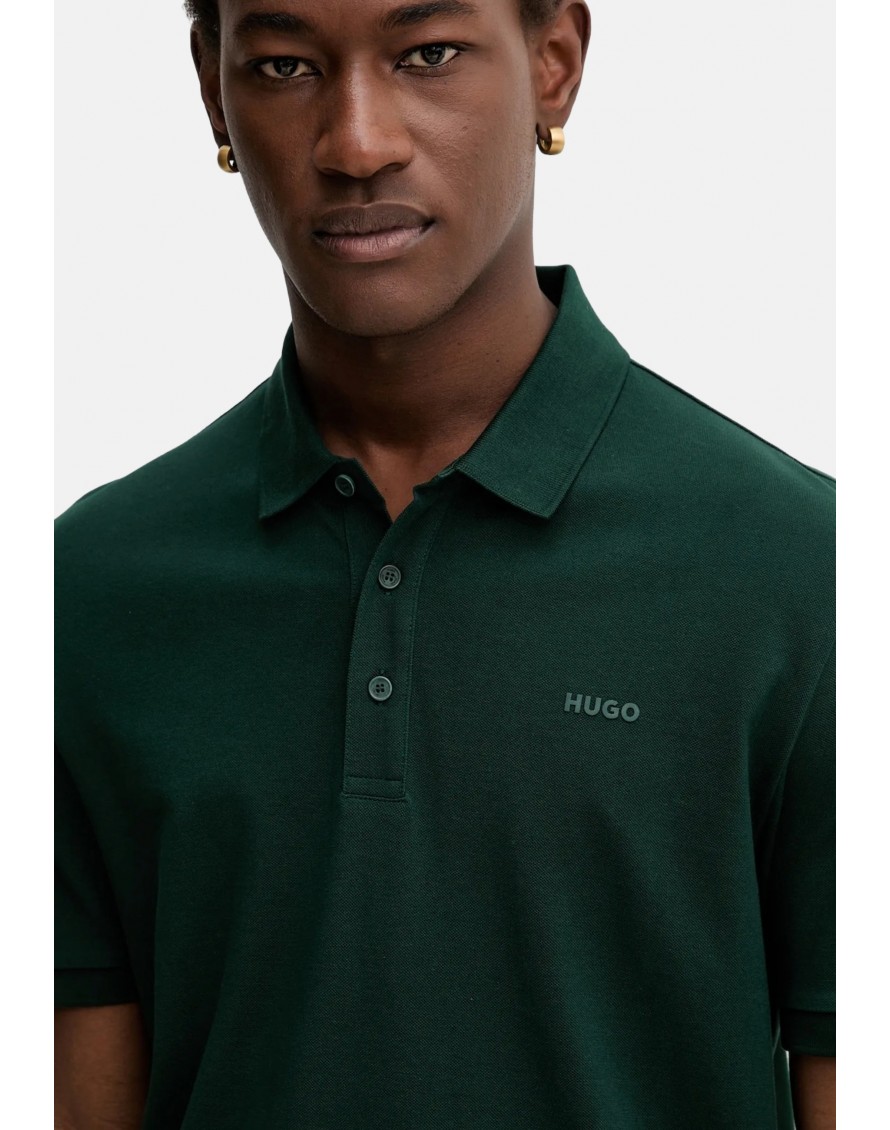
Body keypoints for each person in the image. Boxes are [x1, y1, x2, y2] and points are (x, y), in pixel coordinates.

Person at [54, 1, 835, 1127]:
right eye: (283, 66)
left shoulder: (806, 574)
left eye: (427, 54)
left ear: (553, 63)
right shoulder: (85, 593)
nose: (355, 143)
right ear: (213, 91)